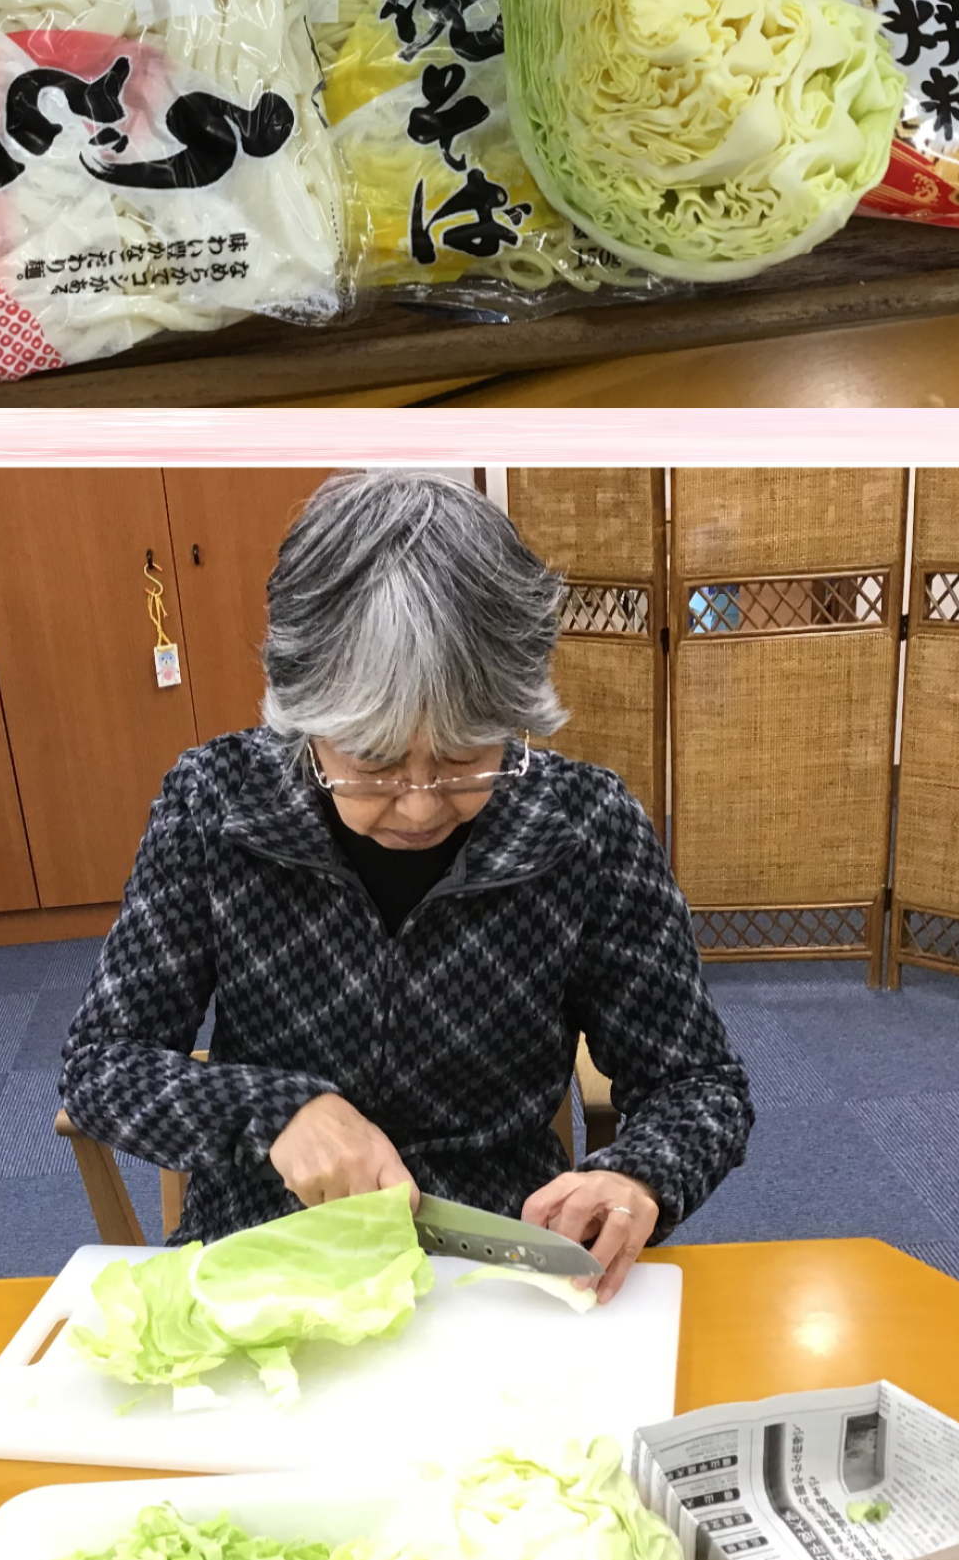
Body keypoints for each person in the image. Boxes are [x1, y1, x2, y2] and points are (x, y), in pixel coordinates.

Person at [61, 473, 749, 1301]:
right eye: (374, 762)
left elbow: (697, 1084)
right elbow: (101, 1065)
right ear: (304, 717)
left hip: (495, 1269)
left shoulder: (583, 825)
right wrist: (274, 1112)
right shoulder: (219, 802)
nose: (420, 806)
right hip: (267, 1259)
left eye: (466, 758)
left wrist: (639, 1177)